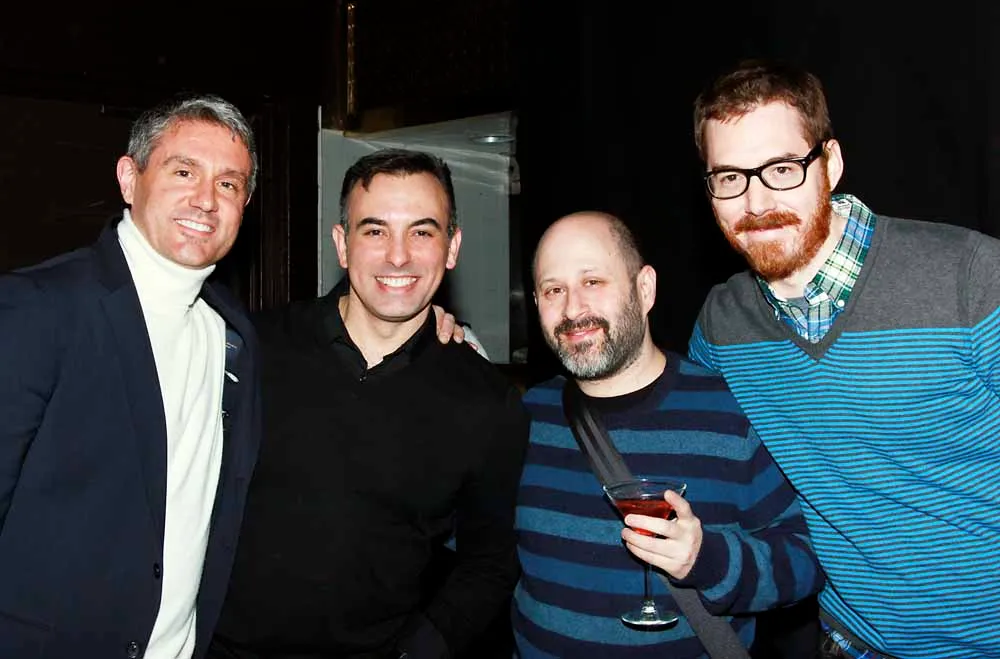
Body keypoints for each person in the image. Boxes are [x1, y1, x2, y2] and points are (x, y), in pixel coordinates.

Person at [687, 58, 1000, 659]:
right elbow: (680, 436)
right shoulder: (722, 326)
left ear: (829, 163)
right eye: (729, 178)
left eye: (781, 169)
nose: (756, 201)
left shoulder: (970, 277)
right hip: (853, 644)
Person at [210, 148, 531, 659]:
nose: (398, 256)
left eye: (422, 232)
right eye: (375, 231)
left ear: (452, 248)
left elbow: (490, 561)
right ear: (342, 244)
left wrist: (420, 649)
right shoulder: (254, 349)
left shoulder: (486, 401)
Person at [0, 94, 261, 658]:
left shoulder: (233, 333)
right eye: (184, 172)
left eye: (228, 184)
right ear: (129, 178)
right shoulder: (39, 309)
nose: (205, 200)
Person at [512, 210, 824, 658]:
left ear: (645, 289)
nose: (573, 309)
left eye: (593, 281)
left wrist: (708, 560)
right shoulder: (523, 417)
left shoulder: (732, 414)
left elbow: (807, 560)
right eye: (553, 290)